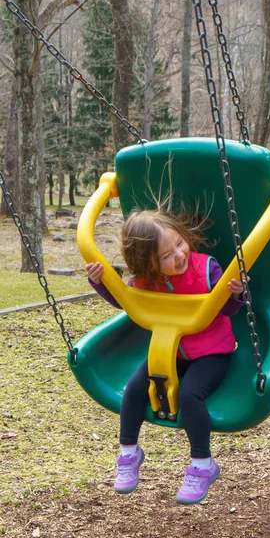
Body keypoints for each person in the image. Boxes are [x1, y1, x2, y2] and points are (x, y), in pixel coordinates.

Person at [86, 207, 245, 505]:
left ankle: (202, 463)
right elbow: (125, 302)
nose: (179, 255)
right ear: (147, 263)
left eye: (179, 244)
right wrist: (101, 283)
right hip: (171, 352)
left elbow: (225, 309)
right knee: (134, 390)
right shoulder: (145, 280)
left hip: (212, 352)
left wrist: (235, 295)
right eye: (166, 255)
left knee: (190, 395)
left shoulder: (207, 268)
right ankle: (129, 452)